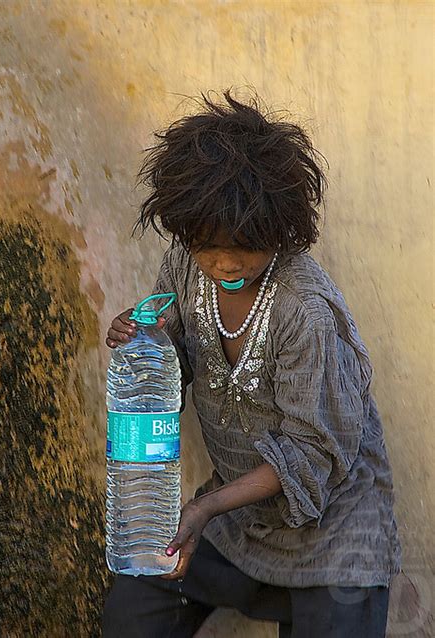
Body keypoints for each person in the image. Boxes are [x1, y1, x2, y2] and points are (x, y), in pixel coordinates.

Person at [102, 91, 401, 638]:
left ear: (279, 230)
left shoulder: (303, 310)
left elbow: (311, 455)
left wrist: (204, 508)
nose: (225, 263)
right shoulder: (185, 270)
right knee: (136, 605)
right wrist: (146, 339)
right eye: (207, 246)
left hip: (334, 538)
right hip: (240, 522)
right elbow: (181, 362)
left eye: (244, 246)